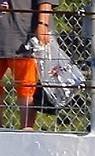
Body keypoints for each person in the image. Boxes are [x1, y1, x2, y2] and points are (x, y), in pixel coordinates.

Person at [0, 0, 57, 130]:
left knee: (27, 88)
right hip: (3, 33)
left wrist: (43, 24)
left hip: (24, 38)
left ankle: (26, 129)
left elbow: (46, 1)